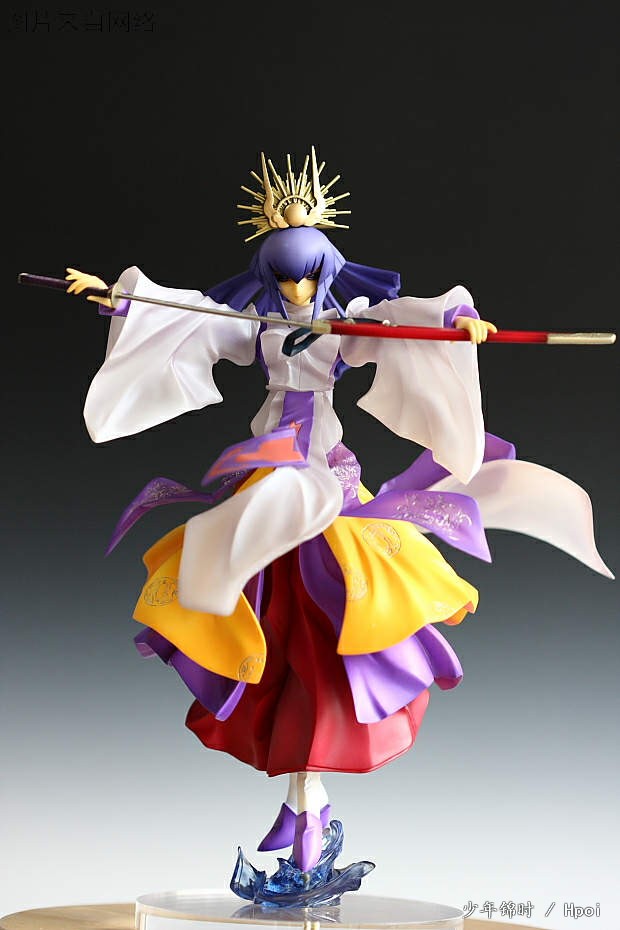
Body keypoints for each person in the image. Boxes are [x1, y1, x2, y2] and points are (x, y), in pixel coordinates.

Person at [65, 150, 611, 874]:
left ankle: (307, 800)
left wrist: (460, 323)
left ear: (326, 271)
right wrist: (119, 299)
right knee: (272, 635)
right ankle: (302, 799)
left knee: (330, 637)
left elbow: (404, 322)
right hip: (266, 469)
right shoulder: (257, 324)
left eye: (306, 277)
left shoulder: (346, 324)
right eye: (284, 279)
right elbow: (188, 319)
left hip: (322, 471)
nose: (295, 291)